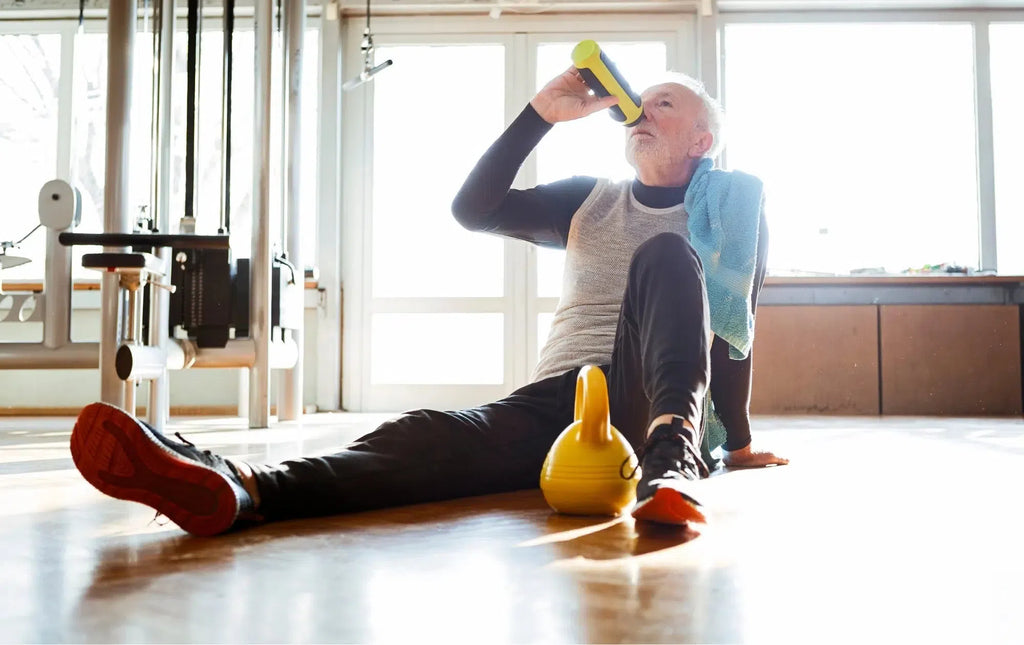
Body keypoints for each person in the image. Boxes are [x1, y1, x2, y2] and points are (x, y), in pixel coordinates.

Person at [69, 68, 787, 537]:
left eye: (666, 102)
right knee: (431, 434)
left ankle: (672, 466)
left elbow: (734, 332)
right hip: (556, 405)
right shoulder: (589, 198)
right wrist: (540, 113)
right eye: (645, 99)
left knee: (665, 255)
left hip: (652, 406)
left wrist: (742, 439)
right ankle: (247, 487)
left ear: (704, 138)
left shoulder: (726, 219)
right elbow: (474, 209)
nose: (643, 108)